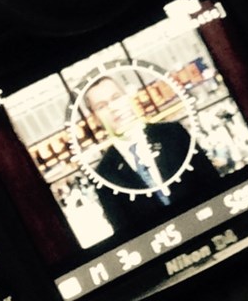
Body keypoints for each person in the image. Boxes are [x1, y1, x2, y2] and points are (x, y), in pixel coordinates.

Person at [80, 74, 220, 237]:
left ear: (129, 97)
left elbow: (212, 182)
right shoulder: (105, 174)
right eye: (102, 106)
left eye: (116, 97)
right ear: (95, 118)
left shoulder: (173, 133)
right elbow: (125, 233)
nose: (113, 107)